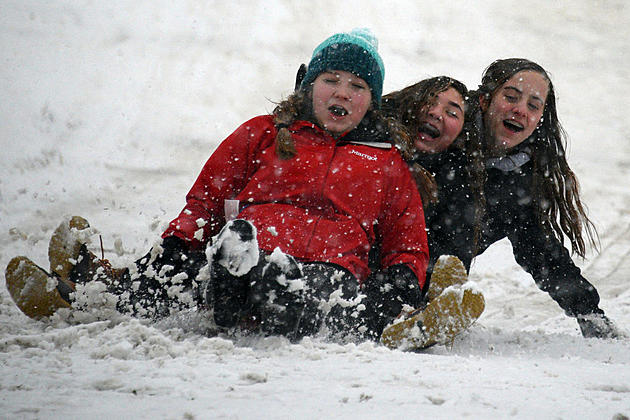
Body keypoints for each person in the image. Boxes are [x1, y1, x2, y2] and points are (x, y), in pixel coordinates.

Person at [5, 29, 432, 344]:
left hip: (331, 273)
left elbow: (406, 241)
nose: (343, 92)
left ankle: (257, 287)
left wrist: (398, 286)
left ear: (371, 101)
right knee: (195, 272)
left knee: (320, 297)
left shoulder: (387, 163)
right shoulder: (265, 133)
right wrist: (176, 247)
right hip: (254, 248)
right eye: (331, 80)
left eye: (358, 86)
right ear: (309, 87)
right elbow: (206, 199)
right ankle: (81, 295)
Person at [386, 61, 621, 339]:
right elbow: (381, 117)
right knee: (462, 199)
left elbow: (540, 250)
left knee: (477, 210)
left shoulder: (517, 181)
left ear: (540, 118)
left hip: (429, 273)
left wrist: (588, 311)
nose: (520, 110)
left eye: (533, 106)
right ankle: (398, 301)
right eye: (510, 97)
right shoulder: (449, 123)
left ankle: (430, 303)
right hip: (380, 251)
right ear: (485, 100)